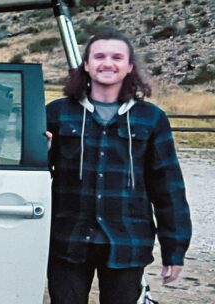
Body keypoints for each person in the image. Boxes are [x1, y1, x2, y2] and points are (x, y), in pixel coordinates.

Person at [45, 29, 191, 303]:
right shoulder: (57, 113)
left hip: (128, 243)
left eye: (116, 57)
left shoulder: (151, 118)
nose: (107, 63)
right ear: (86, 65)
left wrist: (175, 249)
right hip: (68, 241)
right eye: (99, 56)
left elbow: (168, 187)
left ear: (129, 66)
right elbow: (33, 173)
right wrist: (43, 154)